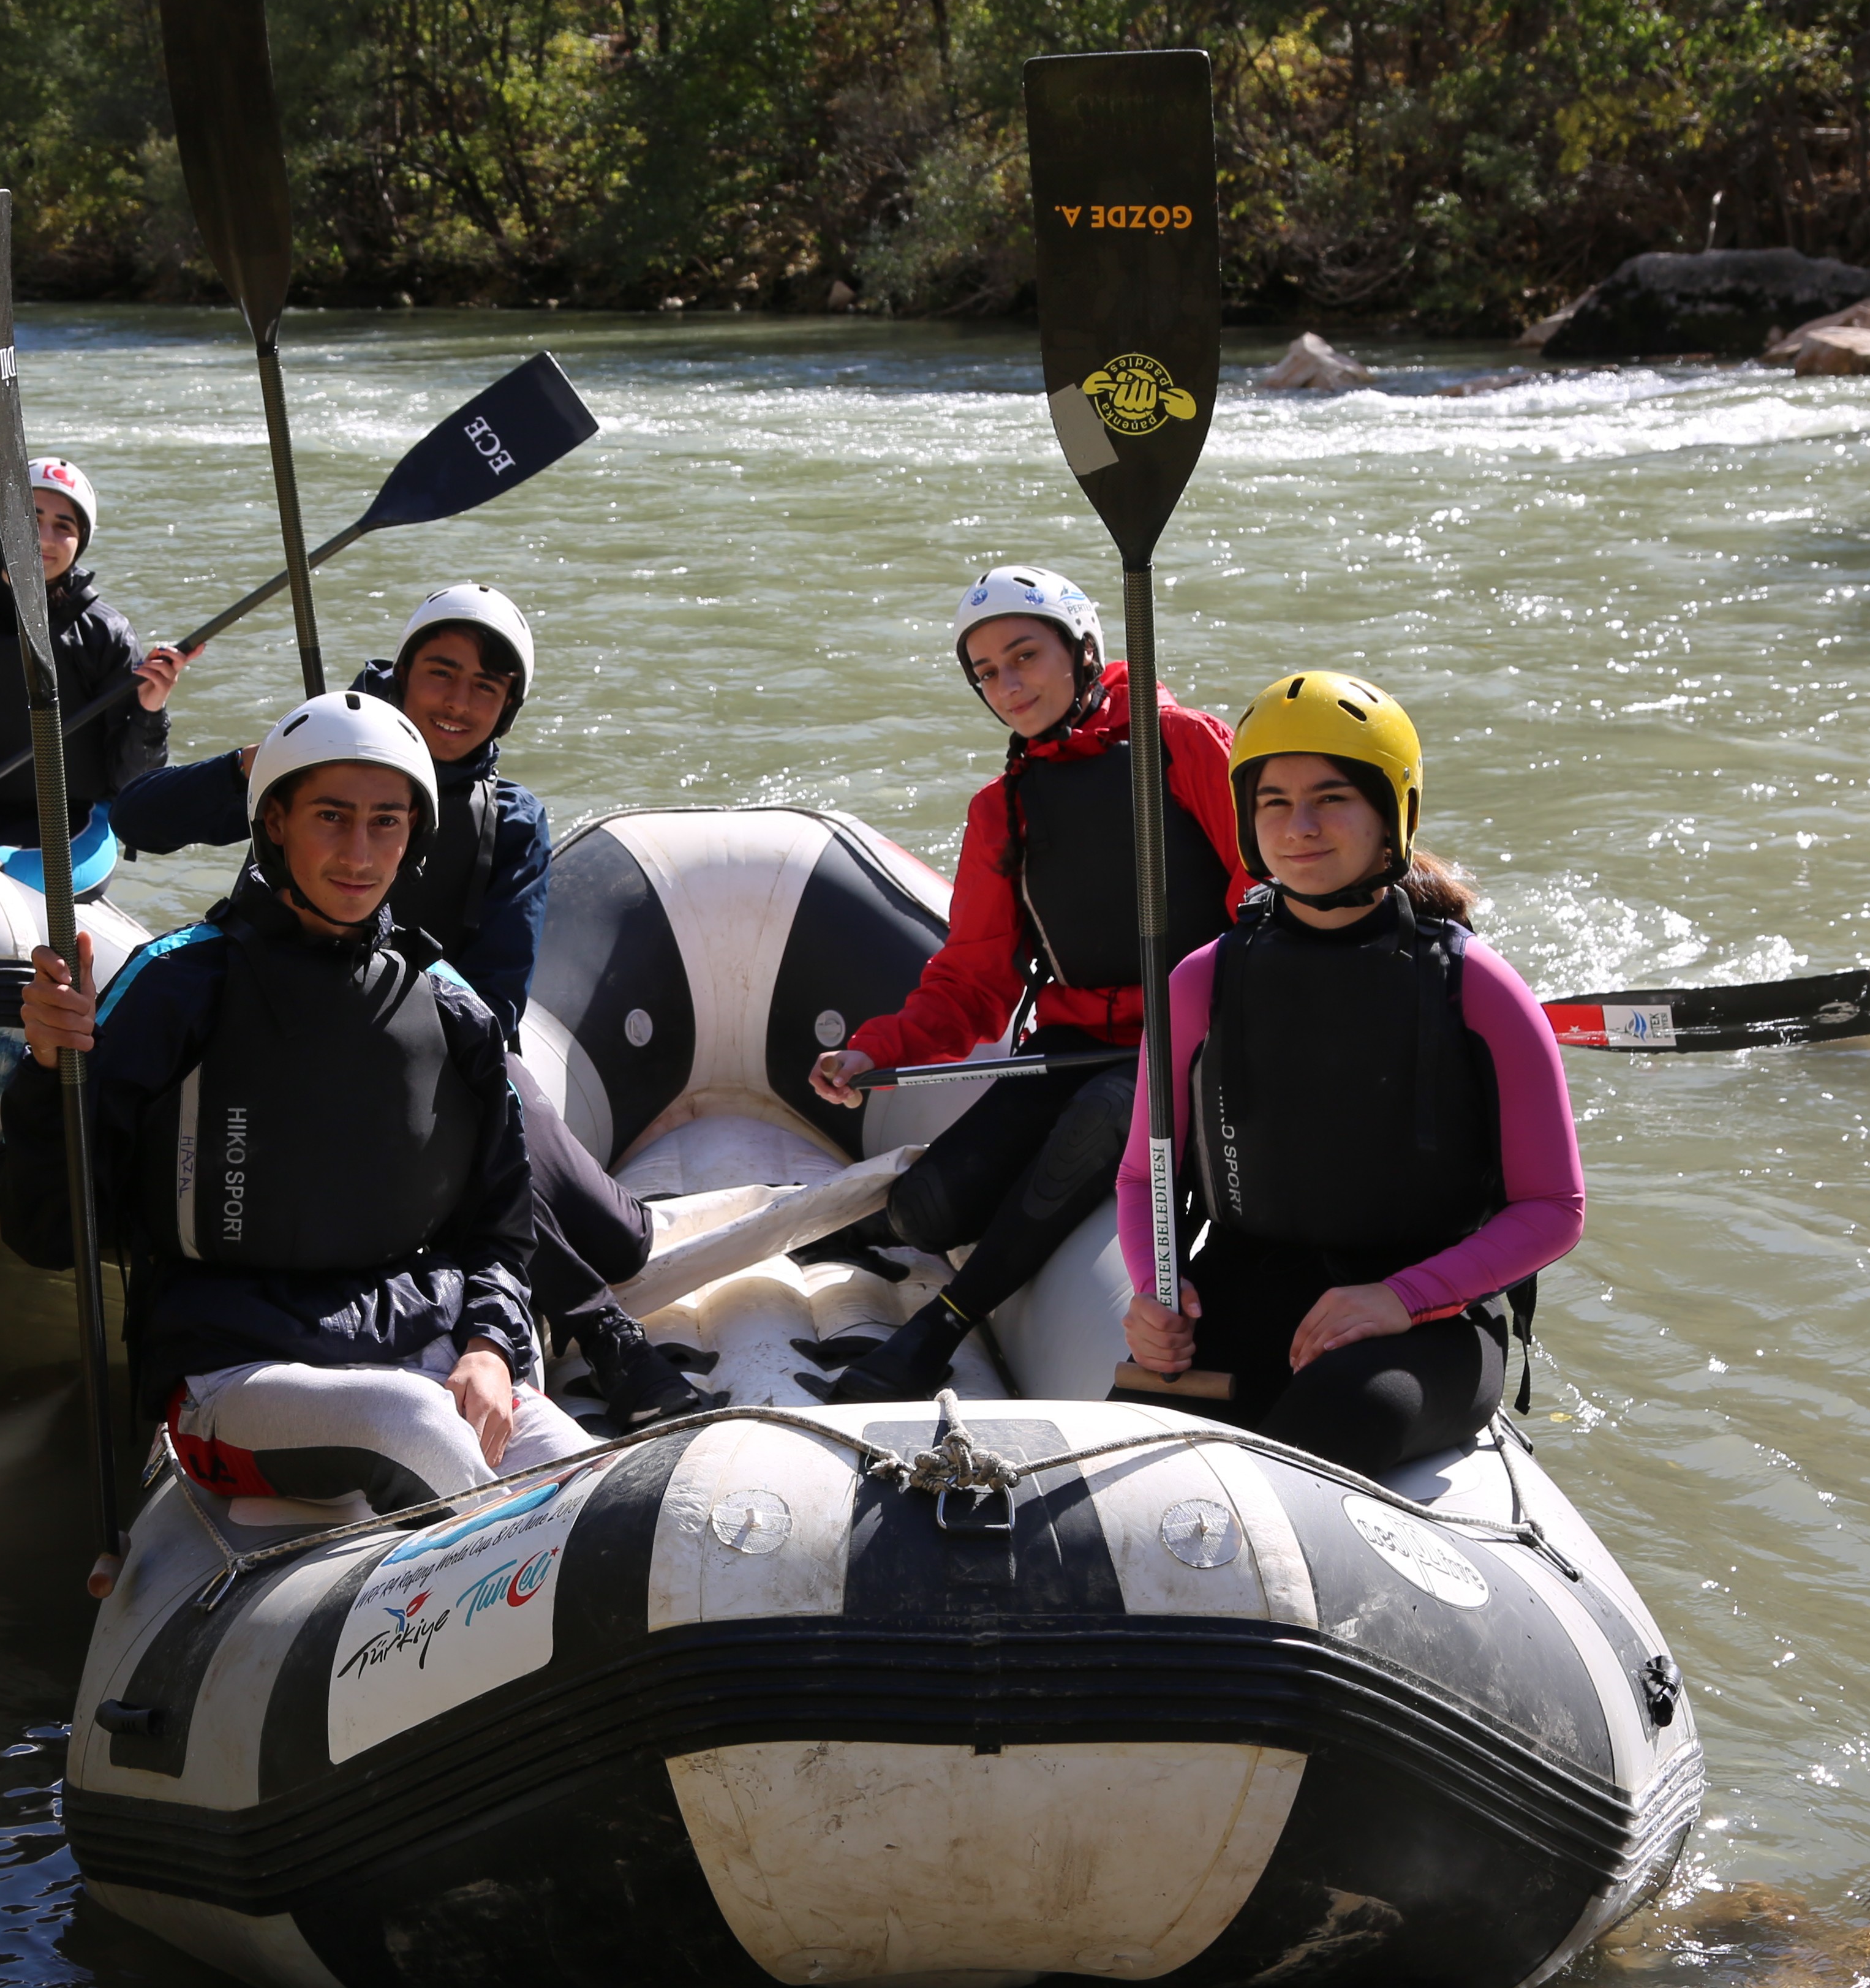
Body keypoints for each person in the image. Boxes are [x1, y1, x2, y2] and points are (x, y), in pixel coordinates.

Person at [108, 584, 710, 1430]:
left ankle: (569, 1284)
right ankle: (603, 1334)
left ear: (506, 710)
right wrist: (252, 765)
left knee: (619, 1240)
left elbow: (495, 1003)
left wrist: (415, 1036)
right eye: (442, 673)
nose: (459, 702)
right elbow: (137, 819)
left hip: (427, 1045)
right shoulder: (312, 762)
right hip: (281, 1029)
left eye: (486, 688)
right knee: (503, 1145)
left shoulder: (509, 821)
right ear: (403, 673)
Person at [1, 691, 594, 1512]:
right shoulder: (177, 991)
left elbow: (500, 1227)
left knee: (589, 1472)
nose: (359, 851)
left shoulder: (452, 1011)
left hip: (421, 1343)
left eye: (387, 821)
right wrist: (44, 1073)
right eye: (331, 817)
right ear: (274, 823)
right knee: (415, 1423)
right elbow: (49, 1232)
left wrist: (492, 1345)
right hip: (230, 1366)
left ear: (413, 835)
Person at [1117, 672, 1585, 1474]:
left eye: (1332, 798)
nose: (1300, 827)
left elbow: (1554, 1209)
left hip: (1430, 1321)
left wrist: (1401, 1299)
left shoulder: (1475, 984)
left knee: (1343, 1416)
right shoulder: (1199, 981)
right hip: (1240, 1294)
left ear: (1391, 814)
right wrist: (1155, 1288)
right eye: (1273, 802)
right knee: (1130, 1464)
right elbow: (1140, 1177)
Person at [806, 564, 1252, 1403]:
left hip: (1191, 1041)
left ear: (1082, 652)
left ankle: (941, 1328)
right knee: (930, 1211)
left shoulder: (1185, 744)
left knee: (1101, 1123)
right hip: (1073, 1044)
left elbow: (1259, 898)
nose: (1008, 686)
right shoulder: (1001, 810)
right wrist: (877, 1050)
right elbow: (972, 980)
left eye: (1024, 657)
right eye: (987, 674)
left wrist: (1216, 1014)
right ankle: (883, 1226)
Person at [0, 456, 194, 857]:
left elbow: (133, 784)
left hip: (75, 829)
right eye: (30, 519)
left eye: (63, 527)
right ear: (0, 529)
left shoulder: (107, 635)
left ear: (80, 543)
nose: (44, 539)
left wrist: (150, 710)